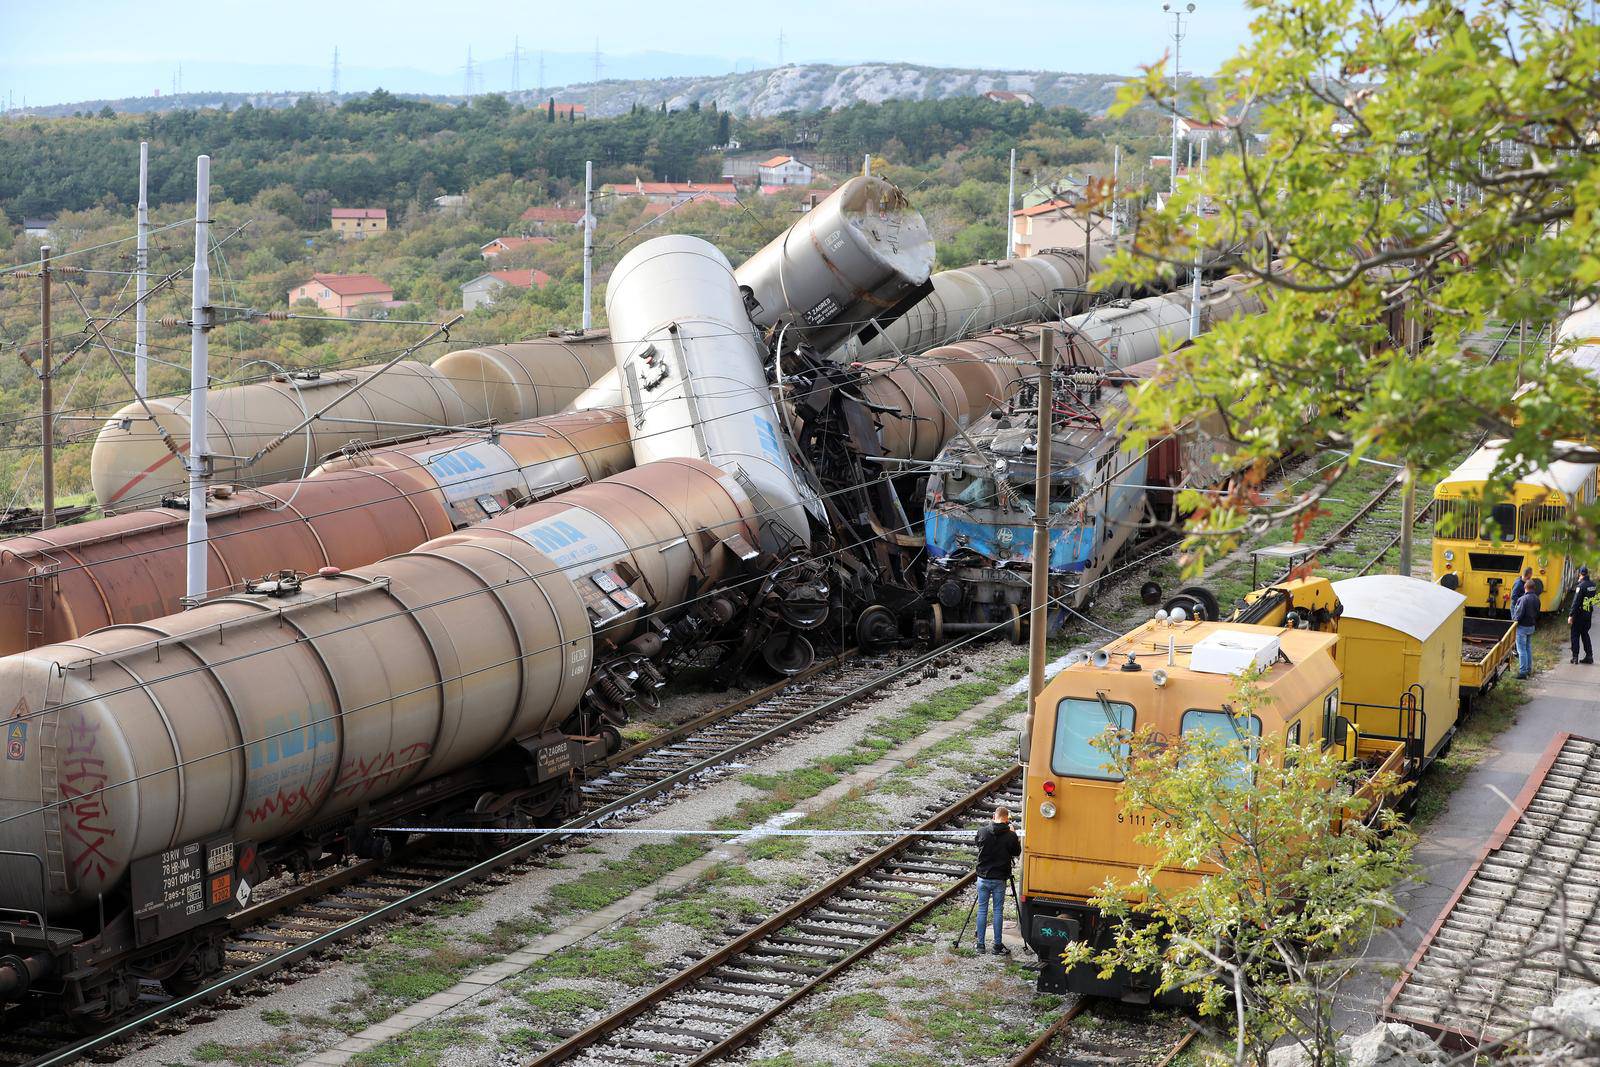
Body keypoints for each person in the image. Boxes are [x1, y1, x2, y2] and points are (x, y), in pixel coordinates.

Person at [973, 806, 1020, 955]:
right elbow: (1016, 853)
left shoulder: (982, 831)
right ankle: (997, 945)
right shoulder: (1010, 835)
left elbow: (978, 844)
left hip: (983, 877)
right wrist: (1014, 835)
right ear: (1007, 819)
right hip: (999, 878)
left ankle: (980, 945)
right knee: (998, 911)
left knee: (982, 910)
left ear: (994, 816)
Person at [1514, 580, 1541, 679]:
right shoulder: (1537, 599)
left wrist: (1514, 621)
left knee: (1521, 650)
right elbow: (1538, 613)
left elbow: (1519, 614)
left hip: (1522, 627)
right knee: (1528, 648)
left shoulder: (1523, 599)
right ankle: (1529, 669)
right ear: (1533, 588)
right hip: (1531, 626)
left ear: (1525, 588)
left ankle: (1522, 672)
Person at [1570, 566, 1597, 664]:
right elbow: (1595, 599)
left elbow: (1576, 602)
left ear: (1580, 574)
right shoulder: (1593, 585)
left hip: (1579, 614)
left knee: (1575, 635)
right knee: (1585, 634)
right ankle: (1589, 656)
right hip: (1588, 613)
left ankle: (1575, 657)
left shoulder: (1580, 586)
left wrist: (1571, 615)